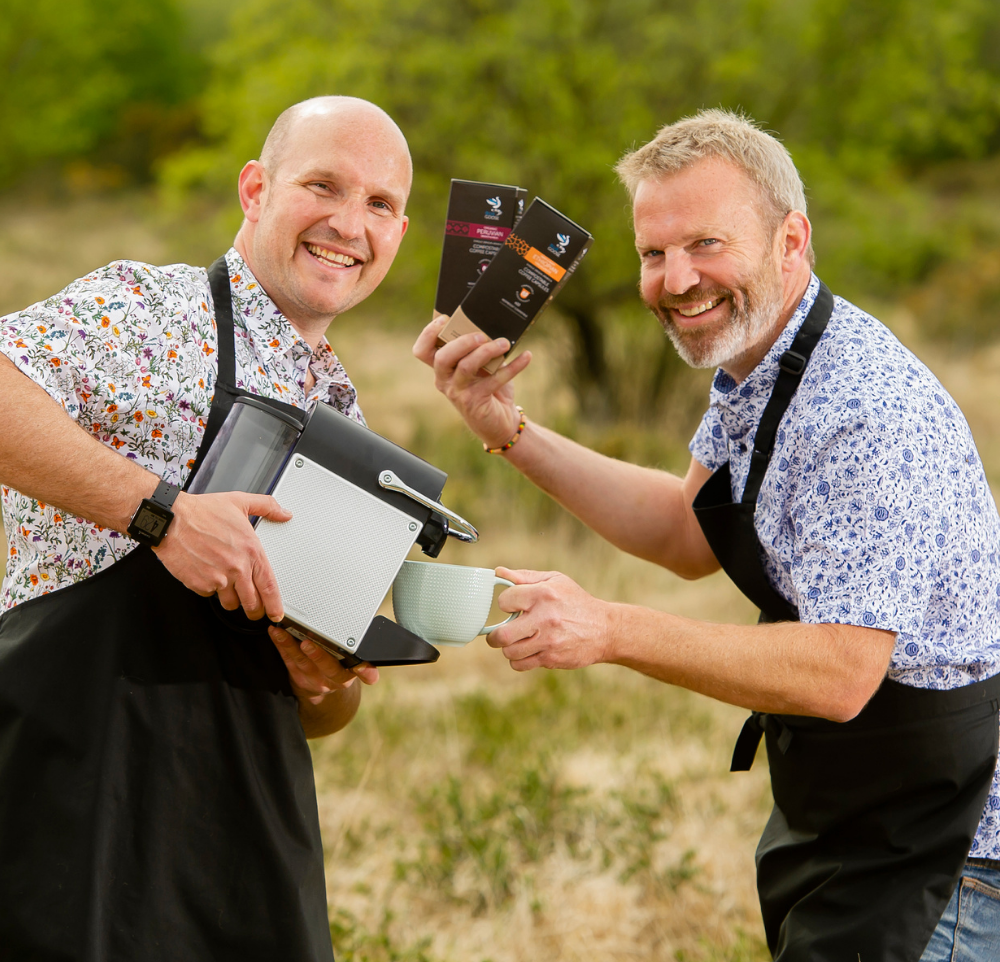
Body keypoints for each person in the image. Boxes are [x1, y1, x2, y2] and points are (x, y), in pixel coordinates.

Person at [413, 109, 1000, 961]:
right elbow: (688, 532)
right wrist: (507, 428)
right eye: (655, 253)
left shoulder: (863, 412)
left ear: (791, 239)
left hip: (951, 867)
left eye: (706, 245)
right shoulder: (759, 363)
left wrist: (608, 629)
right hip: (861, 826)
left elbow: (841, 672)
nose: (676, 280)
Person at [0, 95, 411, 961]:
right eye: (323, 185)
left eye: (379, 203)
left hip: (246, 837)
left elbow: (317, 720)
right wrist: (164, 516)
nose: (349, 222)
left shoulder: (354, 427)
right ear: (255, 188)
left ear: (399, 234)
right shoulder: (148, 310)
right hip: (68, 798)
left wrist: (325, 681)